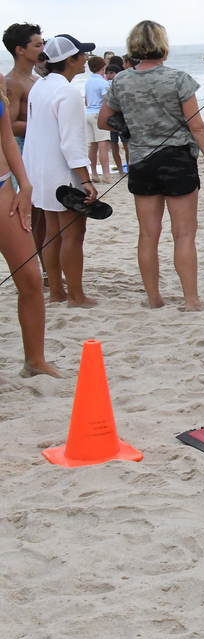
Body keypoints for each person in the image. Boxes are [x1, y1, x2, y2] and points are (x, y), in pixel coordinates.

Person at [99, 21, 204, 311]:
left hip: (141, 162)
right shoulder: (178, 78)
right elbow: (198, 127)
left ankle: (154, 299)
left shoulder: (120, 80)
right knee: (183, 234)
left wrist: (131, 130)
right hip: (177, 160)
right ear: (163, 44)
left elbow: (103, 120)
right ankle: (191, 301)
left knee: (148, 235)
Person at [28, 35, 98, 307]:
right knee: (73, 235)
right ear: (70, 59)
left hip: (40, 170)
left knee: (51, 234)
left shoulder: (40, 86)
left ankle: (57, 292)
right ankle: (76, 296)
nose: (86, 59)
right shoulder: (67, 92)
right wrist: (86, 180)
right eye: (82, 54)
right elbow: (71, 141)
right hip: (63, 175)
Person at [0, 67, 56, 375]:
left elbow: (6, 136)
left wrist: (25, 184)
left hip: (5, 191)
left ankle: (35, 362)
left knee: (31, 279)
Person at [4, 23, 48, 268]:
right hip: (23, 151)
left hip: (38, 150)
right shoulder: (13, 82)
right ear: (20, 50)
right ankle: (33, 267)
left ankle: (43, 266)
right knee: (28, 216)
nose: (43, 49)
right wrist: (41, 125)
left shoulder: (35, 78)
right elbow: (8, 125)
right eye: (38, 44)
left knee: (41, 216)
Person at [83, 55, 112, 183]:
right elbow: (106, 100)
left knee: (92, 146)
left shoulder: (88, 82)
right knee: (103, 145)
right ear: (103, 67)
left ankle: (94, 173)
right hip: (98, 113)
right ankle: (106, 174)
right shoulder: (102, 82)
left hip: (88, 112)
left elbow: (86, 100)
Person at [102, 61, 126, 176]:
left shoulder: (121, 85)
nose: (109, 75)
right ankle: (121, 170)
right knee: (114, 145)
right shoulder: (105, 85)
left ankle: (128, 168)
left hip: (122, 118)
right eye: (107, 73)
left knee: (126, 146)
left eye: (112, 72)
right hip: (111, 120)